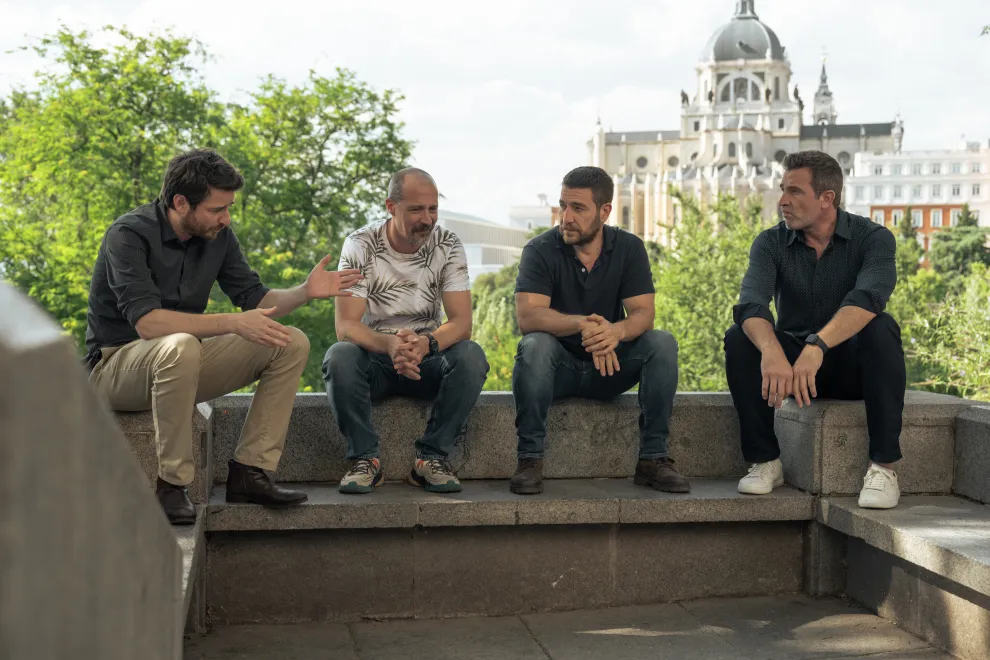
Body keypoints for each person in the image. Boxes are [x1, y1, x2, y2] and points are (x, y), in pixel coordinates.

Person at [86, 148, 362, 524]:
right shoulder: (128, 235)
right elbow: (148, 325)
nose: (226, 218)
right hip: (115, 369)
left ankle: (251, 472)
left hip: (181, 365)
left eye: (229, 207)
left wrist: (304, 291)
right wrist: (232, 322)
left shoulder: (219, 236)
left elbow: (257, 301)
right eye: (217, 209)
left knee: (290, 341)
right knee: (180, 345)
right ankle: (171, 486)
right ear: (181, 202)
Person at [724, 150, 904, 509]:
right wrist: (773, 351)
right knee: (740, 338)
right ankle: (765, 461)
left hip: (851, 368)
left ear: (826, 198)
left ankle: (883, 469)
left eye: (794, 191)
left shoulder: (874, 239)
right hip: (793, 371)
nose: (782, 201)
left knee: (882, 327)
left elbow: (868, 298)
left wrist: (817, 345)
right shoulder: (770, 243)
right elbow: (752, 304)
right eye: (781, 190)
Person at [510, 166, 687, 495]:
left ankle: (653, 458)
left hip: (610, 368)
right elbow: (528, 317)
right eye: (563, 205)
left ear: (604, 211)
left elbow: (643, 314)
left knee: (661, 342)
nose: (566, 217)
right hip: (557, 370)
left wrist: (614, 333)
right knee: (535, 346)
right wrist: (586, 325)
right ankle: (529, 460)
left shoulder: (629, 248)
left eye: (578, 208)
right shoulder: (540, 249)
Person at [323, 167, 489, 494]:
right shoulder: (360, 244)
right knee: (339, 356)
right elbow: (346, 327)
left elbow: (462, 323)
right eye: (416, 210)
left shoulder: (448, 244)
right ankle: (364, 461)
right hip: (375, 361)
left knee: (471, 356)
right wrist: (388, 345)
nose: (426, 219)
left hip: (425, 358)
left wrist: (427, 343)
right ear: (390, 206)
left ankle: (431, 459)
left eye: (432, 209)